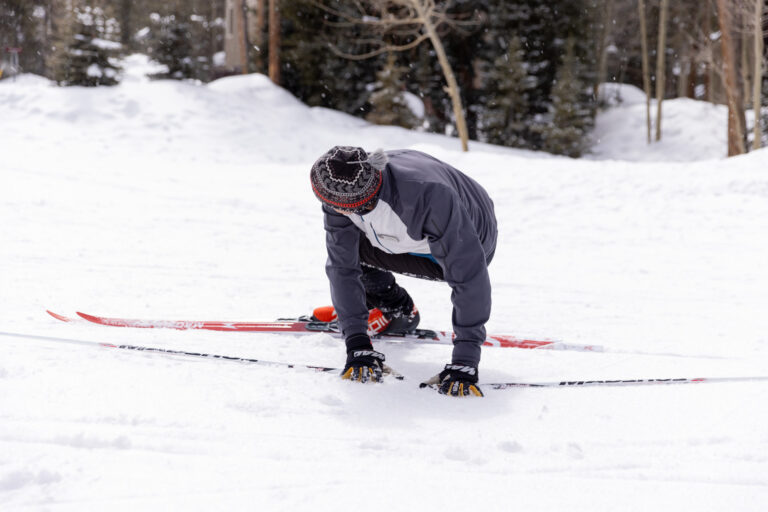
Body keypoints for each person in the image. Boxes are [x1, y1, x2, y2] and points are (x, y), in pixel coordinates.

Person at [310, 146, 497, 397]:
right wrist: (356, 341)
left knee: (360, 244)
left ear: (357, 202)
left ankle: (389, 308)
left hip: (472, 237)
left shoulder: (428, 197)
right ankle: (394, 309)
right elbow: (341, 265)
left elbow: (470, 277)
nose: (330, 209)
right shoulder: (344, 184)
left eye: (336, 207)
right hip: (408, 220)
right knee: (349, 249)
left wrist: (466, 359)